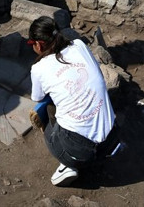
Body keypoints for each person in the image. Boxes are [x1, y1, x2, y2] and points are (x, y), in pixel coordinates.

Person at [28, 16, 120, 187]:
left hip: (80, 151)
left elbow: (37, 98)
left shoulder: (38, 68)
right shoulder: (79, 45)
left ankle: (68, 164)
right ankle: (92, 152)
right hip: (112, 138)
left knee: (46, 107)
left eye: (31, 43)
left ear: (39, 45)